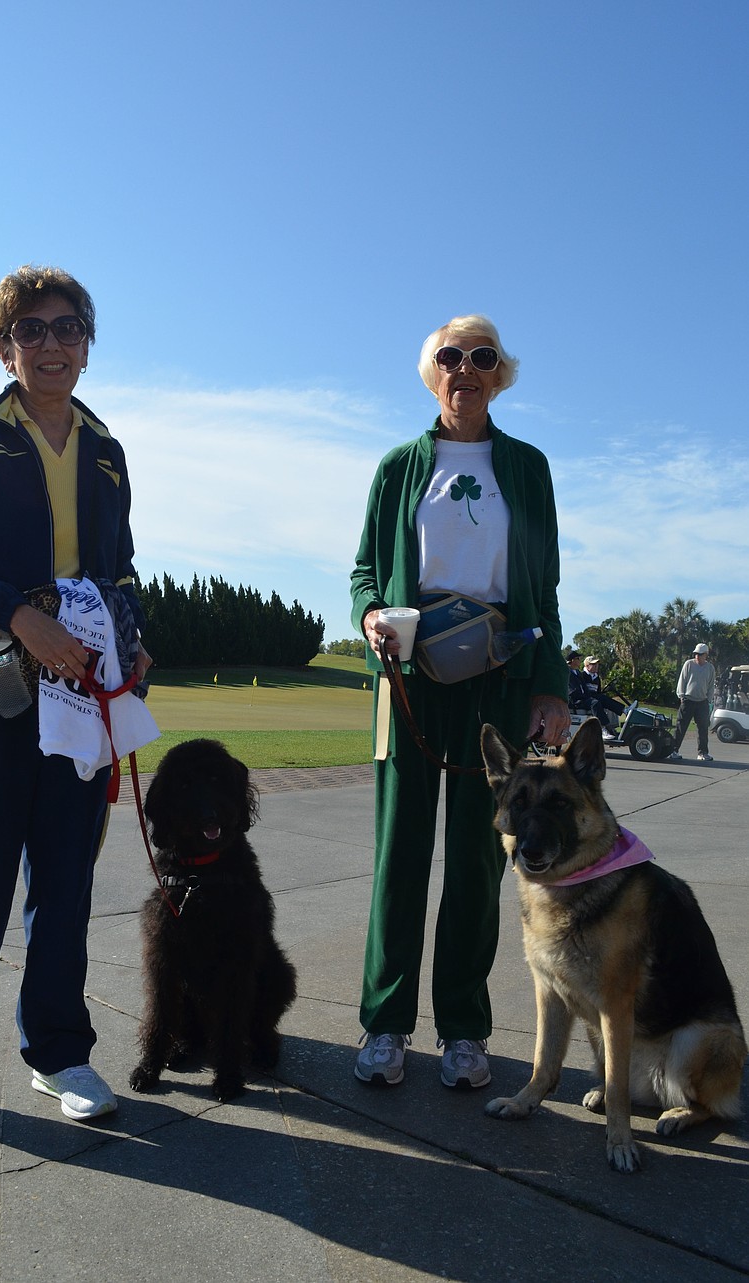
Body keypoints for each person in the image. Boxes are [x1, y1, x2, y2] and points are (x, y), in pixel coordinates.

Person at [0, 266, 151, 1143]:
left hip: (78, 698)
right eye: (33, 330)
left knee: (66, 879)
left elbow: (118, 568)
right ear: (5, 347)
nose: (52, 344)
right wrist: (15, 614)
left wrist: (131, 634)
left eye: (69, 327)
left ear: (88, 343)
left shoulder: (109, 449)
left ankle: (57, 1052)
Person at [349, 313, 569, 1091]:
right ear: (432, 371)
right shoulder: (398, 467)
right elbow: (363, 577)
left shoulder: (529, 467)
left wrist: (552, 686)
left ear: (499, 373)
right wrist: (372, 615)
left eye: (482, 357)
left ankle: (465, 1030)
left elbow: (543, 587)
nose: (465, 369)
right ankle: (385, 1024)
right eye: (452, 356)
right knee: (399, 854)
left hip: (499, 677)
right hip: (409, 679)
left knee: (480, 858)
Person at [668, 643, 716, 763]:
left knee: (703, 729)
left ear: (706, 655)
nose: (697, 656)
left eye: (700, 654)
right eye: (696, 654)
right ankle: (673, 751)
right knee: (680, 727)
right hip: (688, 700)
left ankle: (703, 753)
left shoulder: (710, 668)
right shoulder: (688, 664)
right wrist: (681, 696)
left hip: (702, 702)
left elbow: (711, 686)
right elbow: (682, 680)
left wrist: (709, 700)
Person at [581, 655, 624, 737]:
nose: (596, 666)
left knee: (607, 703)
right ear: (587, 665)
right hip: (586, 699)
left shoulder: (596, 678)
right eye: (593, 664)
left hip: (594, 697)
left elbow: (598, 691)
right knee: (598, 702)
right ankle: (603, 728)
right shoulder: (582, 676)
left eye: (597, 664)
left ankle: (612, 727)